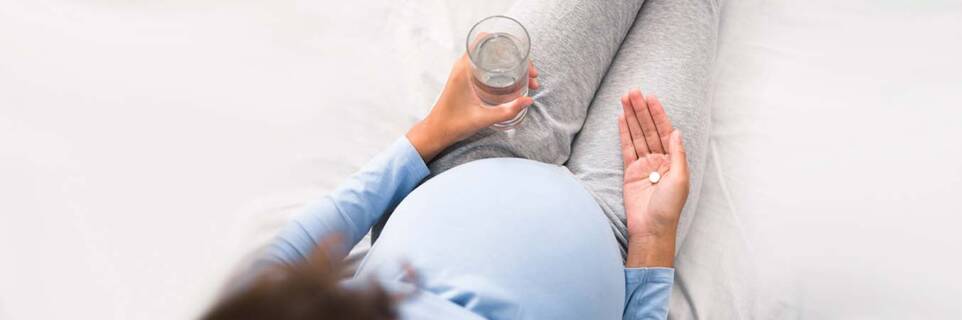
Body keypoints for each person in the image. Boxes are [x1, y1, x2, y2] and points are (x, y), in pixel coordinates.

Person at [205, 0, 719, 318]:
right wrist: (653, 245)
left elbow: (286, 262)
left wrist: (431, 132)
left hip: (475, 149)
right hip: (624, 221)